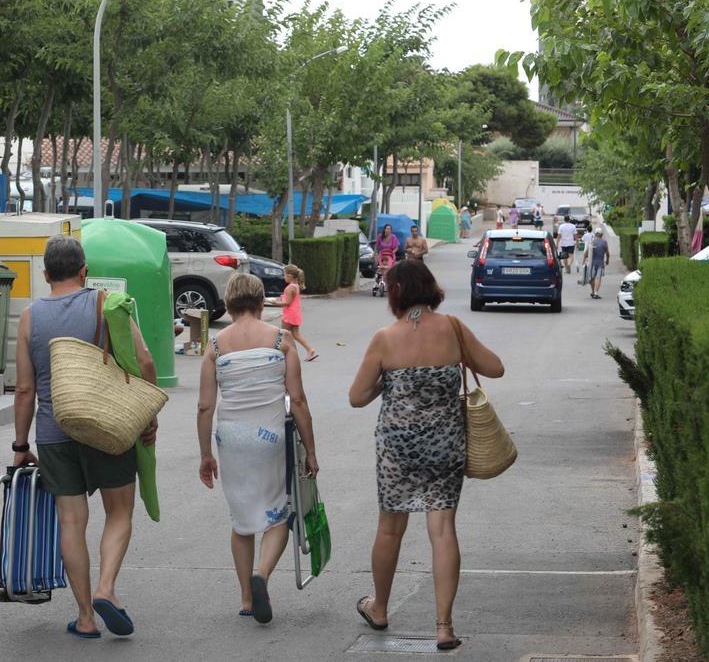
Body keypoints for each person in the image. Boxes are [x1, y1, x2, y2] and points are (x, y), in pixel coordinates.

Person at [348, 260, 504, 652]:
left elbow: (357, 397)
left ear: (396, 292)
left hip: (396, 448)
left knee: (389, 529)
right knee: (443, 531)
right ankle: (444, 627)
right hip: (445, 444)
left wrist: (393, 381)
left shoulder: (384, 338)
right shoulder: (452, 328)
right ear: (429, 287)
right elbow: (495, 368)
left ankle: (380, 608)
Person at [12, 235, 158, 640]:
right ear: (83, 271)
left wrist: (21, 446)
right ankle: (106, 588)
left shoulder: (30, 317)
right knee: (120, 511)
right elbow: (145, 361)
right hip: (107, 424)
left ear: (45, 275)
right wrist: (147, 415)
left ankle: (85, 617)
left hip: (54, 431)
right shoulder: (105, 303)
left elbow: (24, 390)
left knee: (71, 521)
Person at [197, 273, 319, 625]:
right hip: (271, 438)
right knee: (277, 514)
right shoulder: (281, 340)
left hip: (232, 438)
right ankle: (262, 574)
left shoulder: (216, 345)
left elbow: (205, 406)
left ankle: (247, 598)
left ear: (229, 303)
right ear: (261, 301)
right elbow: (297, 399)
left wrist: (206, 454)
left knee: (241, 520)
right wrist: (310, 450)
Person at [264, 264, 318, 361]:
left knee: (281, 335)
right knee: (296, 335)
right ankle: (310, 349)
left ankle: (279, 355)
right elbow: (289, 299)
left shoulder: (289, 288)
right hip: (295, 314)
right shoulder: (296, 286)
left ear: (289, 276)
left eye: (284, 275)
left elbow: (287, 303)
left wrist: (274, 303)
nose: (283, 277)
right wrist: (279, 299)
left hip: (289, 315)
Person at [589, 227, 611, 299]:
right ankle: (596, 293)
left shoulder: (592, 241)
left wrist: (584, 259)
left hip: (592, 263)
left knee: (592, 278)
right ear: (601, 234)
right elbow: (607, 253)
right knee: (598, 278)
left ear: (595, 234)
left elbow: (587, 253)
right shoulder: (604, 242)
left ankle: (592, 292)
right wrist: (607, 260)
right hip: (600, 263)